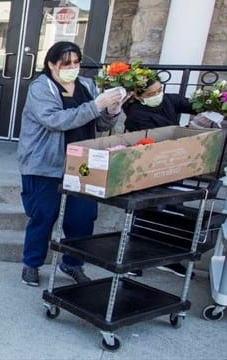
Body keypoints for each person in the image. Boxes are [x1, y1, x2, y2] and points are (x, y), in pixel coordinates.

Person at [17, 41, 125, 287]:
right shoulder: (41, 88)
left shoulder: (87, 85)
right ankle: (32, 263)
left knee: (83, 218)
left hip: (83, 164)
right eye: (67, 63)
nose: (73, 67)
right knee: (43, 216)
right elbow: (56, 120)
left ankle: (73, 263)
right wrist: (96, 105)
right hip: (46, 163)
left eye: (76, 62)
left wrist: (111, 111)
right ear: (51, 64)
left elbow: (100, 125)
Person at [123, 78, 203, 278]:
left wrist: (212, 104)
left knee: (174, 210)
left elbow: (193, 105)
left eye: (160, 90)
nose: (158, 95)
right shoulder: (135, 115)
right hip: (149, 167)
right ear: (138, 96)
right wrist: (189, 130)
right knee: (145, 211)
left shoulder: (169, 100)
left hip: (175, 163)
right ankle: (133, 259)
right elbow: (161, 135)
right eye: (151, 94)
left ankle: (171, 259)